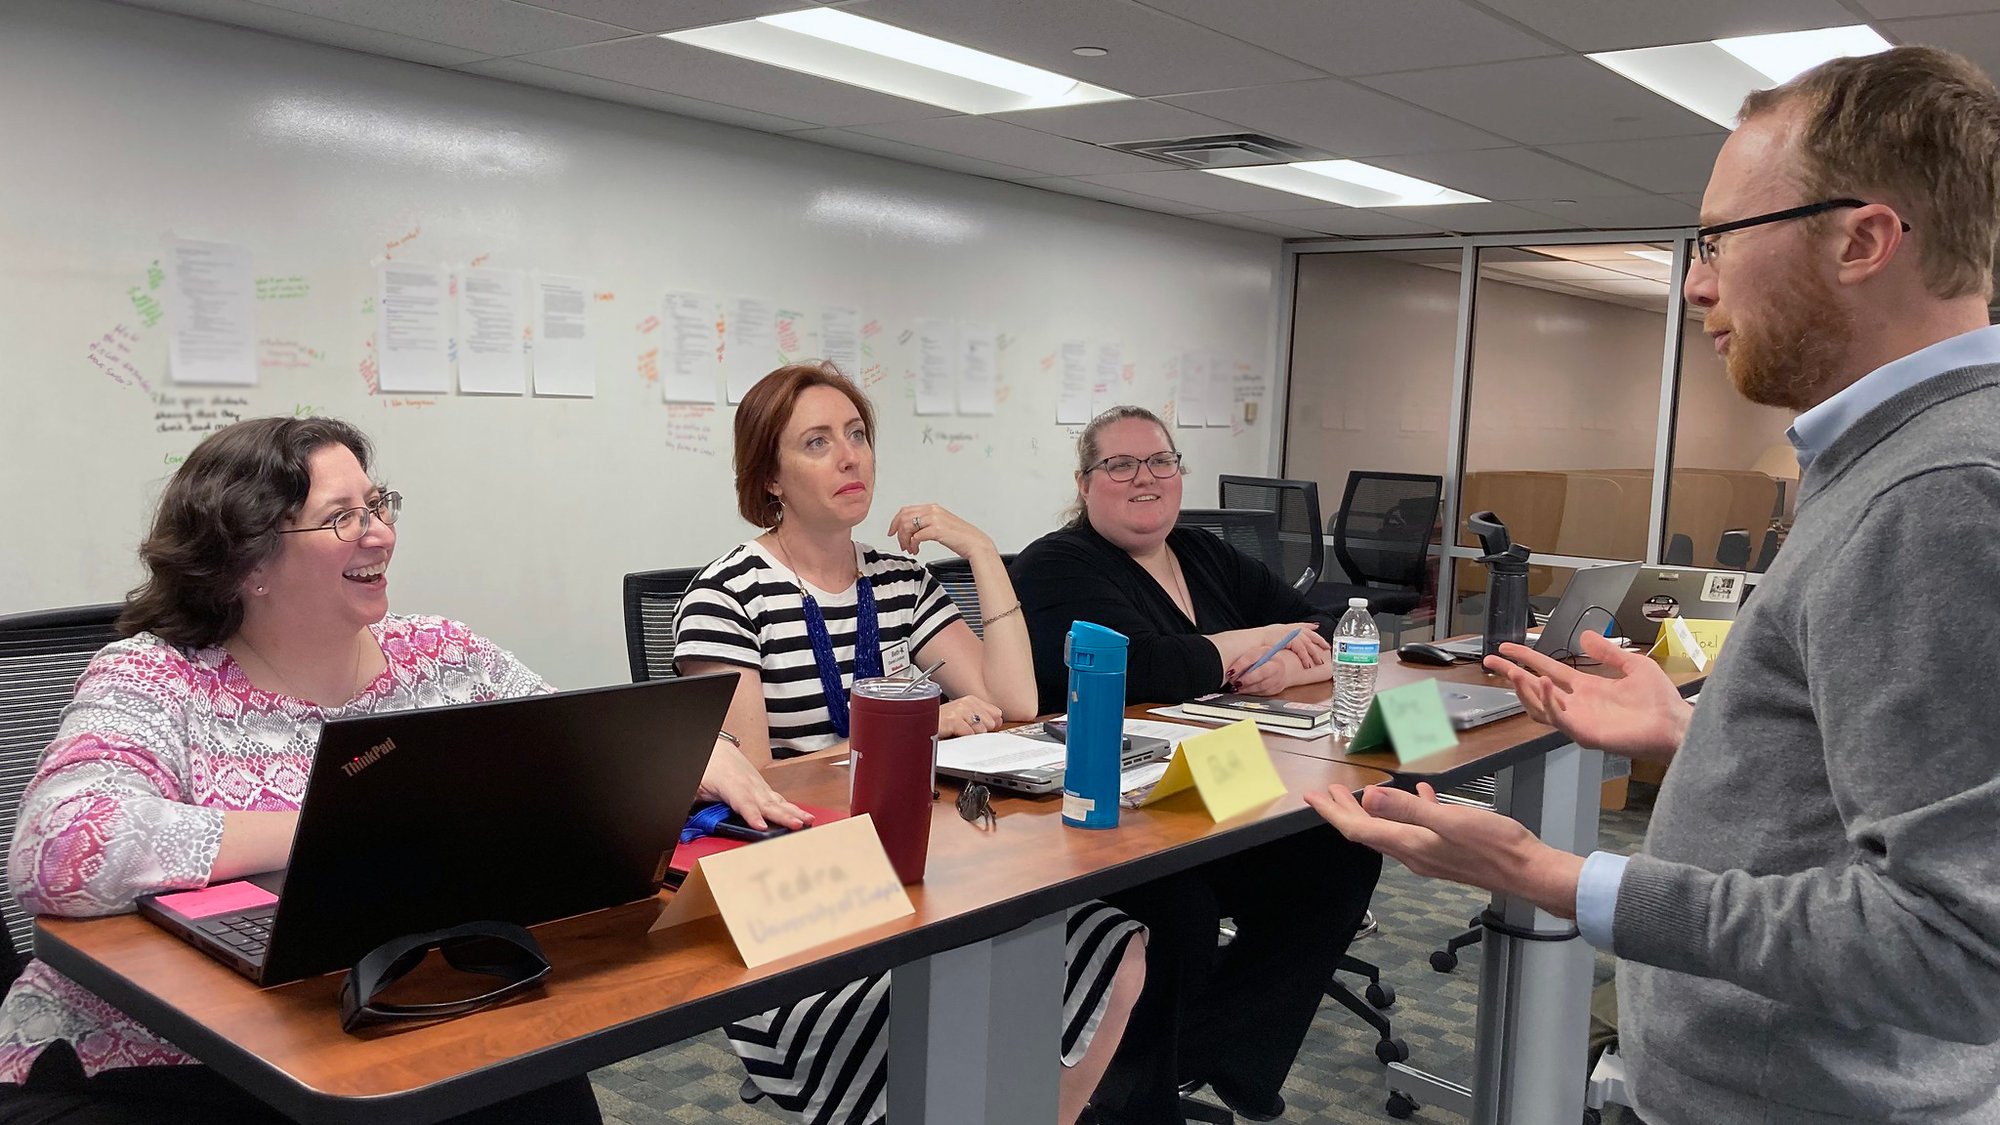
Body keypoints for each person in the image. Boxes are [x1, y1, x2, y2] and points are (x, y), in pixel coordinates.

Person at [1308, 45, 2000, 1123]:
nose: (1695, 282)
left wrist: (1558, 877)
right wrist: (1697, 733)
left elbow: (1958, 949)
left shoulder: (1938, 491)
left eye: (1720, 238)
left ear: (1862, 240)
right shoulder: (1898, 458)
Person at [0, 417, 603, 1123]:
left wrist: (691, 758)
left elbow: (582, 750)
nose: (380, 534)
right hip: (150, 1058)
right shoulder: (155, 676)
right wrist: (336, 829)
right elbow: (59, 847)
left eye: (377, 505)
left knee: (543, 1082)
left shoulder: (444, 654)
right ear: (248, 562)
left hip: (381, 1012)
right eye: (342, 517)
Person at [674, 363, 1144, 1125]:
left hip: (921, 866)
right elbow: (756, 785)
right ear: (770, 478)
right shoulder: (728, 593)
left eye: (857, 435)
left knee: (1110, 942)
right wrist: (911, 731)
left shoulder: (899, 580)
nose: (850, 456)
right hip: (806, 893)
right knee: (954, 1002)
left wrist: (982, 552)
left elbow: (1015, 702)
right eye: (817, 442)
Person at [1010, 405, 1383, 1123]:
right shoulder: (1057, 563)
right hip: (1112, 814)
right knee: (1177, 912)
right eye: (1120, 464)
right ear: (1084, 484)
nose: (1144, 478)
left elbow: (1329, 631)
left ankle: (1211, 1054)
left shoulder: (1202, 551)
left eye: (1160, 461)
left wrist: (1283, 665)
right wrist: (1261, 637)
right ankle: (1135, 1098)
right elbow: (1147, 667)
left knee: (1338, 854)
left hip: (1218, 790)